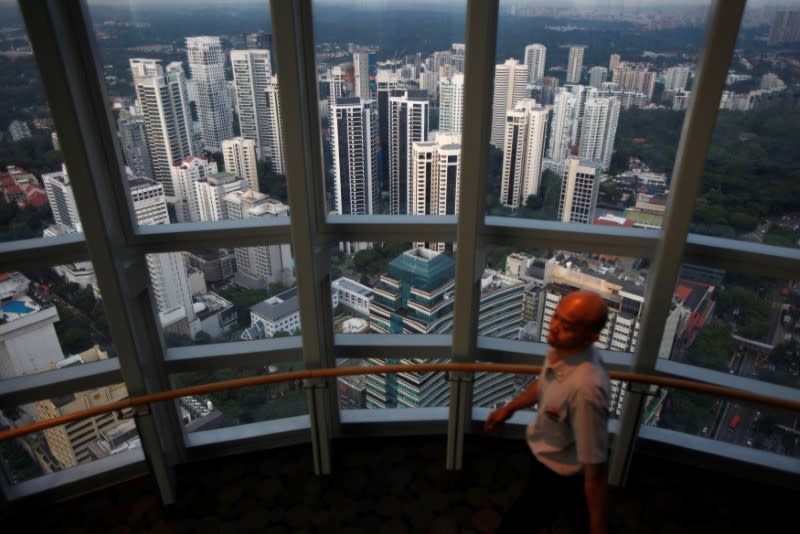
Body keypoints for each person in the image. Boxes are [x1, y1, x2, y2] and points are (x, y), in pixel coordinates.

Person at [485, 290, 610, 534]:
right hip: (545, 457)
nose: (553, 328)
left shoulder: (586, 390)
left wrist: (599, 527)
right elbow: (545, 383)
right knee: (561, 513)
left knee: (522, 521)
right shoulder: (562, 350)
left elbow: (595, 470)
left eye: (567, 325)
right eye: (556, 317)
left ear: (590, 337)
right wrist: (511, 407)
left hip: (561, 473)